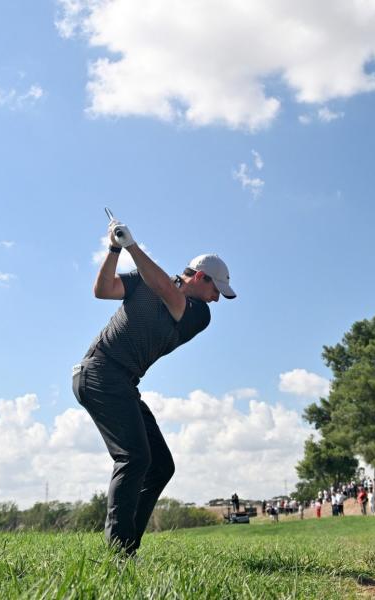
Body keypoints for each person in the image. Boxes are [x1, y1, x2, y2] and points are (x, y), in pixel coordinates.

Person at [73, 218, 236, 555]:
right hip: (99, 373)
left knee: (160, 465)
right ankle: (119, 555)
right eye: (215, 289)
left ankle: (128, 544)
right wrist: (115, 249)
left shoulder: (198, 313)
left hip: (122, 382)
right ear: (201, 278)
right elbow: (103, 289)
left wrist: (132, 245)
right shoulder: (148, 281)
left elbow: (167, 292)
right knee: (133, 457)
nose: (217, 298)